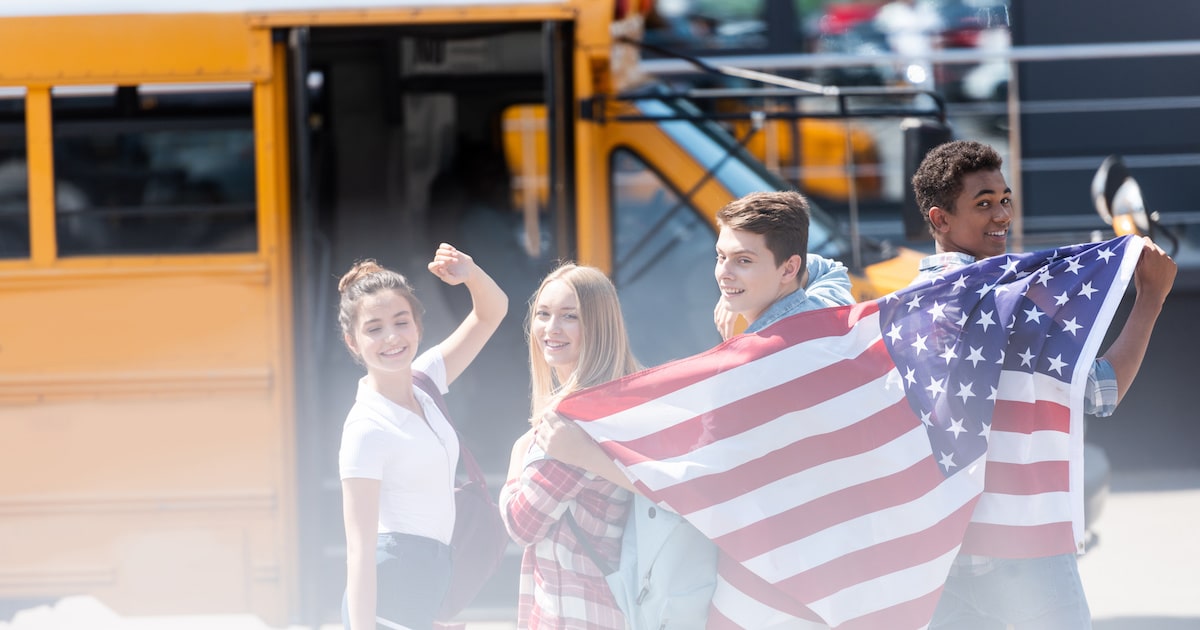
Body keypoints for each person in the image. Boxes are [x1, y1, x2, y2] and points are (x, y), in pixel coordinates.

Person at [534, 190, 857, 628]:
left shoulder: (748, 372)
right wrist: (749, 292)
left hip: (765, 590)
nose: (724, 274)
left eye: (743, 260)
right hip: (825, 567)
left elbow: (694, 491)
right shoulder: (824, 307)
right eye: (721, 257)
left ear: (789, 267)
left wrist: (584, 455)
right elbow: (832, 268)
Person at [911, 139, 1176, 629]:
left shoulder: (903, 304)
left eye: (1005, 199)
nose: (1001, 215)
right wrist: (1151, 298)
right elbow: (1102, 391)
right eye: (983, 203)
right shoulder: (1011, 302)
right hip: (1021, 547)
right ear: (940, 219)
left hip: (940, 554)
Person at [337, 243, 508, 630]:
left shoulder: (427, 379)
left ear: (417, 324)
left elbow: (492, 311)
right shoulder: (366, 428)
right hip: (389, 599)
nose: (392, 337)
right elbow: (359, 551)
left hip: (425, 588)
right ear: (353, 341)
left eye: (401, 321)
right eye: (374, 329)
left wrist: (470, 272)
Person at [499, 263, 643, 630]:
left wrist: (518, 456)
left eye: (570, 316)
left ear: (598, 327)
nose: (552, 328)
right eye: (543, 314)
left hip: (574, 614)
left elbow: (522, 523)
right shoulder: (618, 401)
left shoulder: (577, 416)